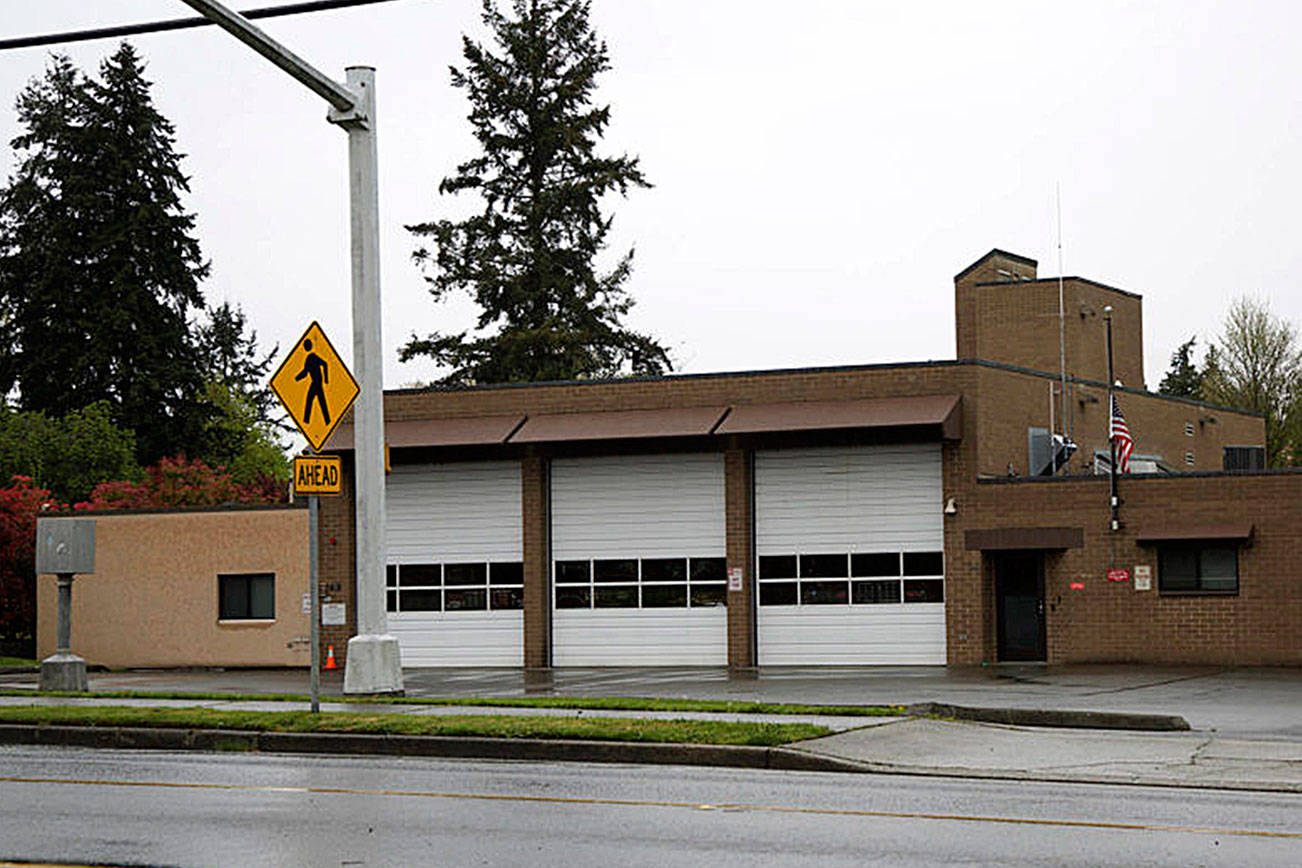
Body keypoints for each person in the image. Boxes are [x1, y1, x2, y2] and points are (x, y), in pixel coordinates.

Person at [294, 338, 330, 425]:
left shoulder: (312, 356)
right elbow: (305, 372)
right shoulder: (308, 358)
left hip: (317, 383)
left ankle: (308, 421)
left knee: (312, 401)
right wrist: (297, 378)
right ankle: (326, 421)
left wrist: (326, 379)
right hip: (316, 382)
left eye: (305, 346)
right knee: (318, 402)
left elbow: (325, 364)